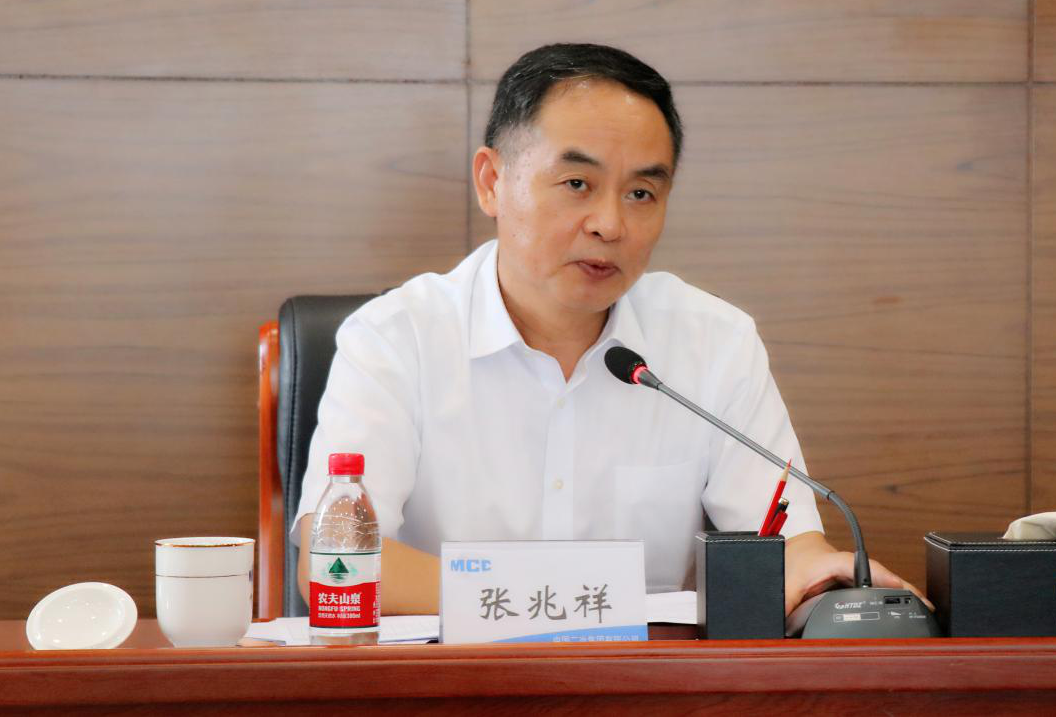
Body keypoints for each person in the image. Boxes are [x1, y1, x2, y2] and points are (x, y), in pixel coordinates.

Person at [293, 43, 925, 616]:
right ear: (492, 182)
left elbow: (786, 547)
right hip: (451, 684)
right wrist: (575, 601)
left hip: (649, 687)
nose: (610, 224)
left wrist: (817, 568)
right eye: (577, 184)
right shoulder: (393, 340)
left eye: (641, 194)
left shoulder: (714, 343)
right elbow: (339, 566)